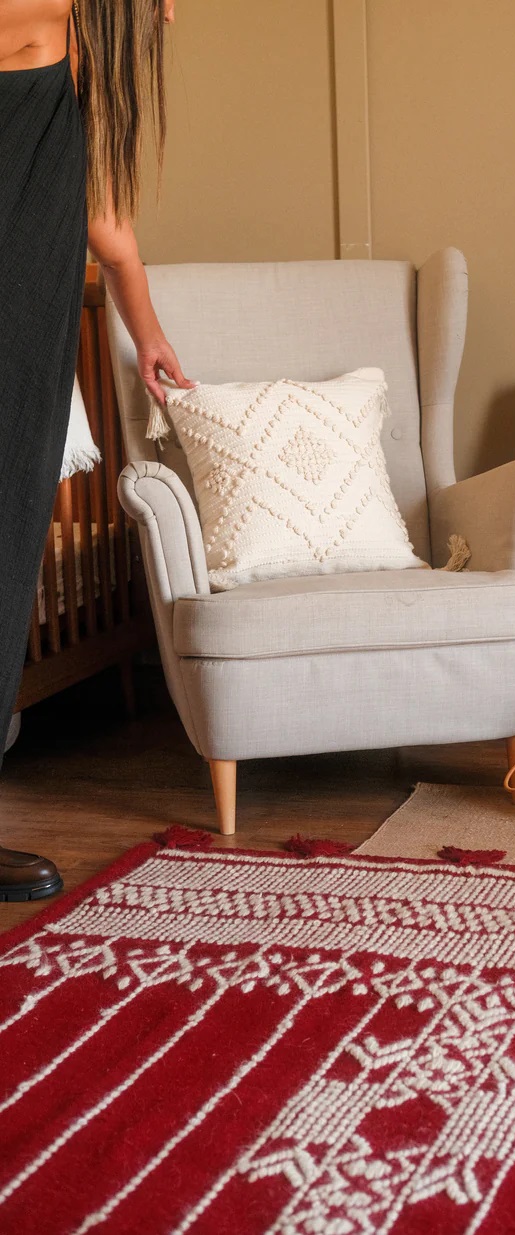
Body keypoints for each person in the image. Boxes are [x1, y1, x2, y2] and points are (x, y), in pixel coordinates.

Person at [0, 0, 193, 901]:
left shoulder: (91, 49)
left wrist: (146, 332)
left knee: (7, 564)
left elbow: (104, 219)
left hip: (26, 339)